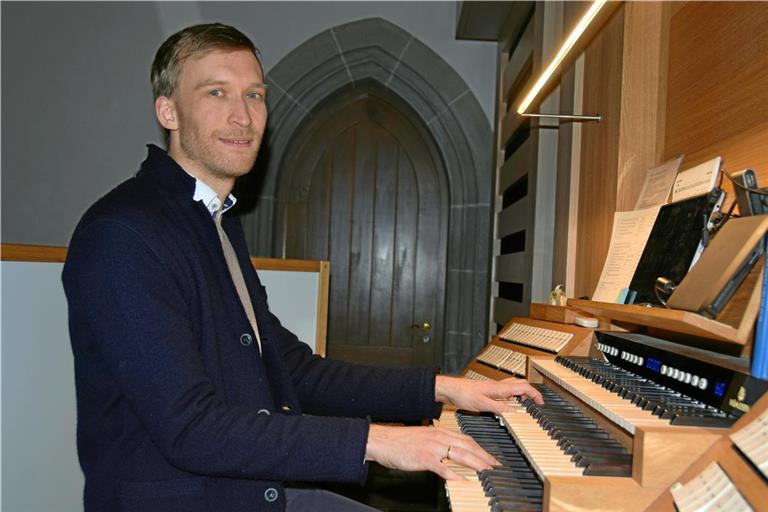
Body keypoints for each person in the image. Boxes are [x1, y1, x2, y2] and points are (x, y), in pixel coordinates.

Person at [62, 23, 542, 512]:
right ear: (168, 111)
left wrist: (446, 390)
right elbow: (191, 429)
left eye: (254, 95)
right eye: (216, 92)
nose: (242, 116)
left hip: (245, 494)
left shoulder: (212, 223)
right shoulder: (124, 234)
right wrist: (377, 443)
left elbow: (295, 371)